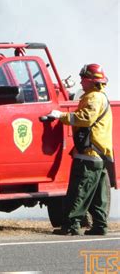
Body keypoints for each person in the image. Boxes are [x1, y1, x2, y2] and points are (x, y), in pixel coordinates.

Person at [47, 63, 113, 236]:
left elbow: (86, 118)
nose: (81, 82)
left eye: (83, 78)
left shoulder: (93, 98)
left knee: (79, 191)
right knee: (98, 196)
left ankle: (70, 226)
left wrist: (61, 116)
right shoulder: (100, 96)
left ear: (91, 80)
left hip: (89, 155)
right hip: (99, 154)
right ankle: (100, 226)